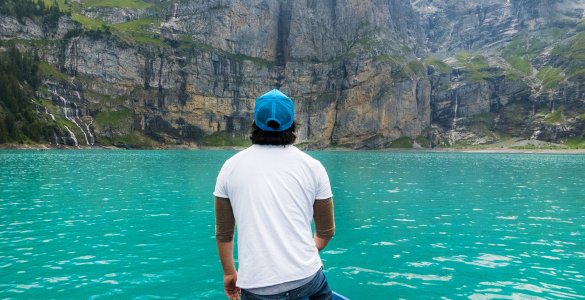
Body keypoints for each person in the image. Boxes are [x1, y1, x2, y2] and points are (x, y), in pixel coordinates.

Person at [214, 89, 336, 300]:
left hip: (257, 287)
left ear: (254, 123)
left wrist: (229, 273)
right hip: (308, 280)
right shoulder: (313, 167)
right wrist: (306, 252)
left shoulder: (230, 168)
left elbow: (224, 234)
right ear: (292, 124)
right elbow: (326, 232)